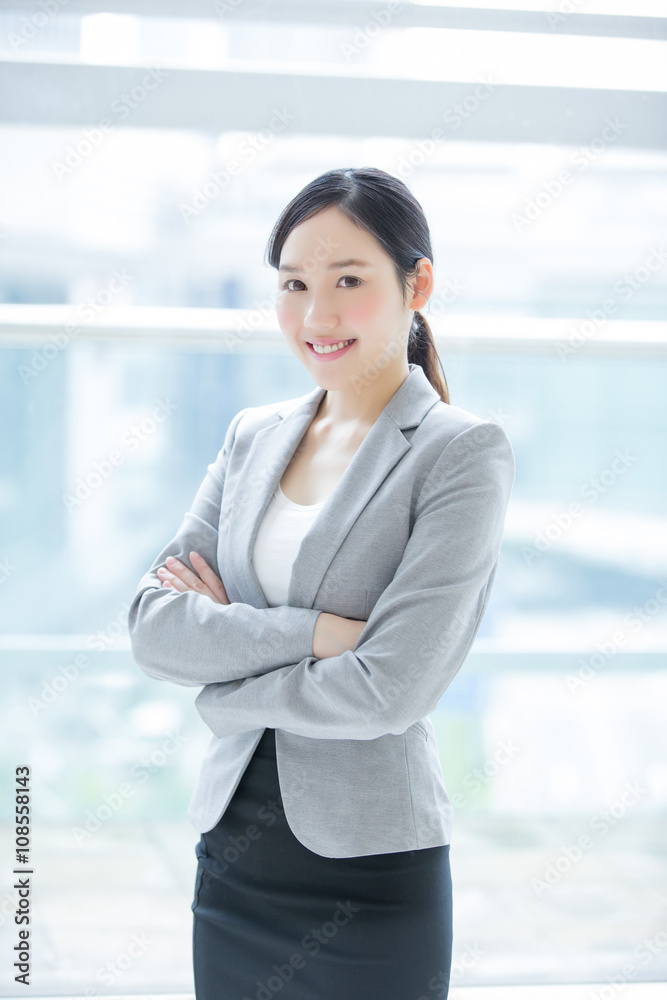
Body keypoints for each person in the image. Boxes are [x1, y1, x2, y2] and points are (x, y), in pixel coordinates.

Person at [128, 166, 516, 999]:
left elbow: (390, 691)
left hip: (372, 879)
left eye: (349, 281)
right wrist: (314, 633)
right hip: (231, 863)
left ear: (418, 285)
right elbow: (153, 625)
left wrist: (226, 688)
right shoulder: (251, 437)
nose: (317, 315)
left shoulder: (457, 452)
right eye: (294, 284)